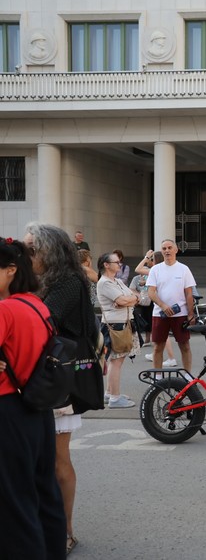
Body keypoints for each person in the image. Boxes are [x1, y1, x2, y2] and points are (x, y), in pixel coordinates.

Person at [23, 223, 102, 555]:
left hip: (58, 381)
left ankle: (66, 529)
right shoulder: (38, 281)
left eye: (30, 249)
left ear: (48, 252)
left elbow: (44, 320)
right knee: (35, 459)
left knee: (57, 460)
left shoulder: (68, 281)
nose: (24, 255)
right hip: (37, 378)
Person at [0, 237, 66, 559]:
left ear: (10, 270)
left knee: (14, 501)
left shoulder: (5, 310)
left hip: (8, 408)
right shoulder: (35, 304)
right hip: (38, 407)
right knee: (44, 493)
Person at [97, 251, 139, 408]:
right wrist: (128, 300)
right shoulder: (105, 283)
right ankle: (115, 398)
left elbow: (134, 295)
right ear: (106, 265)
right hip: (115, 326)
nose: (119, 265)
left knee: (117, 360)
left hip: (122, 323)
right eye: (116, 262)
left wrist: (130, 300)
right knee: (116, 361)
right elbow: (123, 299)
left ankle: (110, 393)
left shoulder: (117, 281)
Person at [146, 239, 196, 370]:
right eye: (164, 248)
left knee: (185, 345)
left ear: (176, 250)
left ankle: (188, 375)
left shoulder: (184, 269)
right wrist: (163, 305)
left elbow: (189, 293)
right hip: (160, 313)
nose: (167, 251)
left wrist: (191, 313)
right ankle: (157, 377)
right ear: (161, 251)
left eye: (169, 248)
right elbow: (151, 292)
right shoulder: (155, 269)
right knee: (158, 347)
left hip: (181, 313)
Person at [137, 251, 177, 366]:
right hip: (163, 302)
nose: (150, 261)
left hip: (159, 304)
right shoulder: (166, 270)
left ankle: (171, 358)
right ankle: (156, 352)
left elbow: (138, 269)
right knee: (158, 331)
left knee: (162, 332)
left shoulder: (155, 270)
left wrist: (146, 257)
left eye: (152, 259)